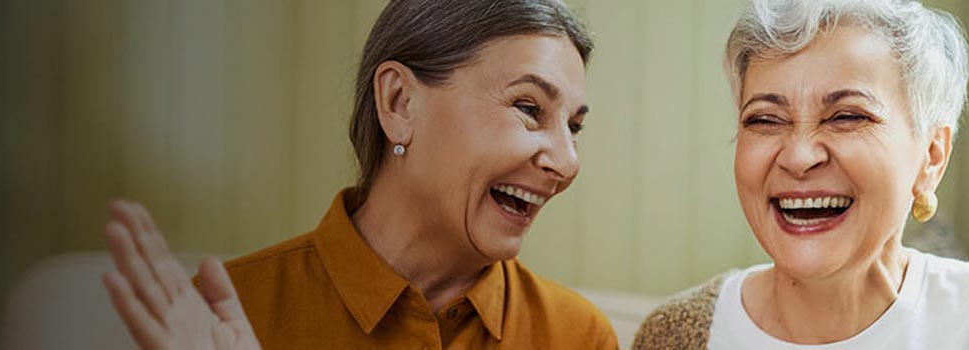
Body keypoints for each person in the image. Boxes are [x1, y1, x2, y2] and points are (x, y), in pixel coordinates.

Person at [97, 0, 619, 348]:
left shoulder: (577, 335)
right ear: (399, 101)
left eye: (573, 126)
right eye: (528, 107)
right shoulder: (225, 315)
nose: (567, 162)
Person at [632, 0, 969, 349]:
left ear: (931, 156)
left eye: (847, 116)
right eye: (765, 120)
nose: (799, 155)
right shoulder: (675, 335)